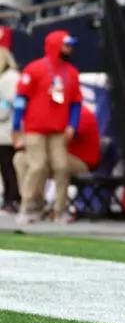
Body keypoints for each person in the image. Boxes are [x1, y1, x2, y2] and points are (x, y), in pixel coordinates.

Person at [12, 31, 83, 225]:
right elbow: (21, 99)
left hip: (58, 131)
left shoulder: (72, 73)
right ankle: (27, 206)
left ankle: (58, 210)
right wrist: (17, 125)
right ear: (55, 45)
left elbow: (76, 103)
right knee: (37, 166)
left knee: (61, 167)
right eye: (66, 45)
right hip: (35, 129)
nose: (70, 49)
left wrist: (72, 125)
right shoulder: (34, 69)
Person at [0, 45, 20, 213]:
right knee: (6, 166)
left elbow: (8, 102)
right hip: (6, 129)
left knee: (9, 166)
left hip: (8, 130)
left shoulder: (9, 79)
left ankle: (12, 198)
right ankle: (9, 197)